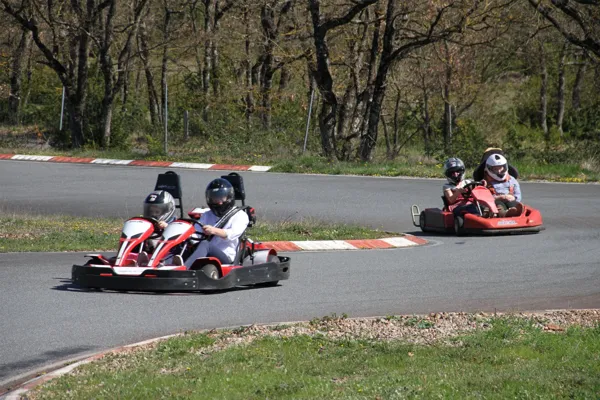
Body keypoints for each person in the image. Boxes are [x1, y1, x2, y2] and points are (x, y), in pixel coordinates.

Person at [180, 178, 249, 269]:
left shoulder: (240, 215)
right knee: (182, 244)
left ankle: (185, 269)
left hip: (226, 256)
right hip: (205, 252)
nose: (219, 202)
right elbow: (196, 233)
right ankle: (165, 266)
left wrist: (214, 230)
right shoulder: (206, 215)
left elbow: (232, 234)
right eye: (215, 198)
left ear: (229, 197)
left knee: (206, 244)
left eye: (221, 197)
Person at [137, 190, 177, 265]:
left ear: (167, 211)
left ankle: (156, 262)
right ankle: (126, 258)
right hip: (147, 251)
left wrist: (167, 228)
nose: (153, 215)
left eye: (157, 212)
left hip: (167, 254)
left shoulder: (175, 224)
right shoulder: (148, 224)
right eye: (151, 212)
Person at [482, 153, 523, 217]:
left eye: (500, 168)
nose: (499, 171)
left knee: (513, 203)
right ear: (489, 169)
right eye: (495, 169)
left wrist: (513, 198)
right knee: (499, 205)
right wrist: (498, 198)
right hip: (495, 202)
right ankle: (504, 214)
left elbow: (518, 195)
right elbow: (483, 198)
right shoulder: (485, 182)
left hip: (510, 200)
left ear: (505, 167)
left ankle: (514, 211)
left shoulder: (512, 180)